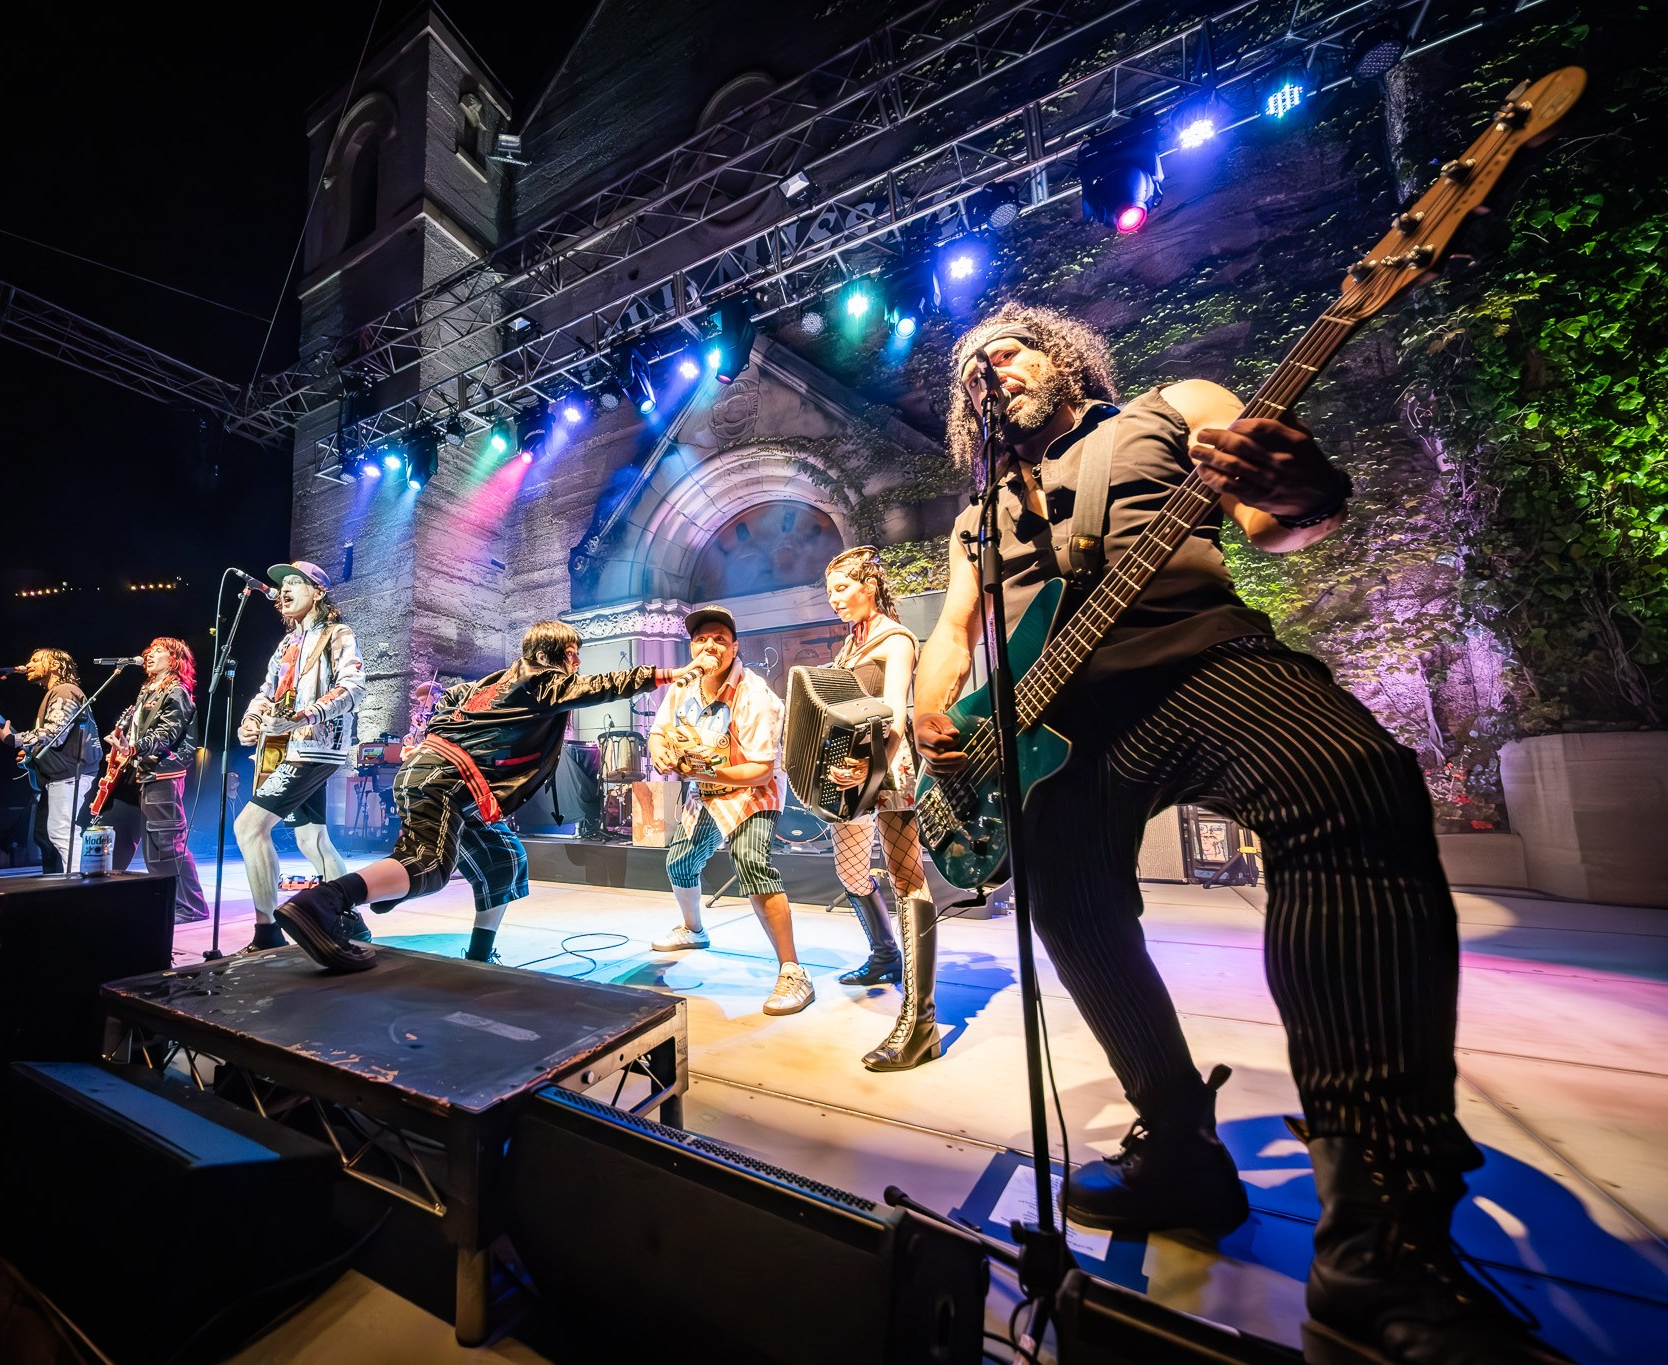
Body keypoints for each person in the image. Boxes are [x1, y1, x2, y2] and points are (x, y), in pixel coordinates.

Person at [912, 303, 1563, 1363]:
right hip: (1048, 731)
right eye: (970, 361)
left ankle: (1381, 1238)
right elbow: (951, 633)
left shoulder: (1174, 408)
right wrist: (928, 722)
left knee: (1349, 779)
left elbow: (1281, 522)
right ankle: (1176, 1147)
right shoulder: (976, 514)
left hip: (1200, 664)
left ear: (1061, 355)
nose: (989, 362)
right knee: (1070, 908)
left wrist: (1297, 486)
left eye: (1010, 343)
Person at [270, 621, 701, 971]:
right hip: (448, 780)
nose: (578, 661)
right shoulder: (544, 681)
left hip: (449, 781)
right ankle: (324, 903)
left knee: (504, 861)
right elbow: (603, 685)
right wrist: (668, 674)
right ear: (565, 655)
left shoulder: (498, 680)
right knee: (428, 865)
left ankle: (479, 956)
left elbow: (453, 699)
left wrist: (436, 713)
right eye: (575, 653)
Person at [646, 607, 809, 1017]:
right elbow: (658, 732)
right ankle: (693, 930)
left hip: (751, 789)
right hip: (705, 790)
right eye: (702, 639)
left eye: (720, 639)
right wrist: (661, 752)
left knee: (751, 862)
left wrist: (703, 768)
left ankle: (793, 971)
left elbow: (759, 770)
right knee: (680, 863)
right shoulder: (682, 687)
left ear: (734, 647)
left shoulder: (755, 695)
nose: (710, 646)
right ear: (691, 646)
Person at [819, 547, 941, 1071]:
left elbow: (891, 718)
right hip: (850, 774)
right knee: (850, 872)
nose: (835, 600)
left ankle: (921, 1021)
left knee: (906, 879)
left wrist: (868, 767)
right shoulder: (851, 645)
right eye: (830, 593)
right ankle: (885, 953)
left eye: (843, 588)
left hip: (887, 768)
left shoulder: (895, 640)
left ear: (869, 585)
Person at [235, 562, 367, 954]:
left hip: (315, 747)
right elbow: (267, 690)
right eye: (283, 584)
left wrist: (307, 715)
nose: (285, 589)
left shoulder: (337, 634)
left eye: (295, 582)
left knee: (249, 828)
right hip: (284, 747)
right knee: (312, 839)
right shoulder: (287, 645)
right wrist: (253, 718)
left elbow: (354, 686)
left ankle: (267, 932)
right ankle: (351, 920)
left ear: (319, 592)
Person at [96, 638, 212, 924]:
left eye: (158, 651)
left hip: (161, 772)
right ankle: (104, 893)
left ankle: (190, 906)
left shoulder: (178, 692)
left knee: (167, 843)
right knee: (114, 831)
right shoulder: (147, 690)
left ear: (173, 660)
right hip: (134, 773)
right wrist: (121, 739)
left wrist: (134, 748)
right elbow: (136, 729)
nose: (149, 654)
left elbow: (166, 733)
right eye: (149, 650)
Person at [0, 649, 102, 873]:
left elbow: (54, 733)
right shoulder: (57, 693)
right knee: (57, 832)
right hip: (64, 774)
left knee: (62, 832)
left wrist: (12, 739)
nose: (28, 664)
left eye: (36, 660)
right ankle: (78, 882)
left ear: (56, 666)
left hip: (70, 774)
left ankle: (83, 884)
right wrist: (30, 756)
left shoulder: (64, 691)